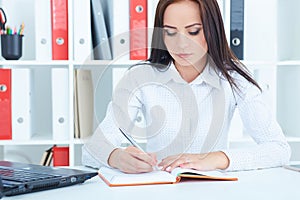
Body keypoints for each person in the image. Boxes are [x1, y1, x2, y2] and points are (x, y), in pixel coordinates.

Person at [82, 0, 291, 173]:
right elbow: (92, 149)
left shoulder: (234, 77)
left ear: (212, 30)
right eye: (170, 33)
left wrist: (215, 159)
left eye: (193, 31)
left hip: (215, 190)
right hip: (160, 188)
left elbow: (279, 149)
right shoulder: (140, 76)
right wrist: (116, 157)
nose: (181, 45)